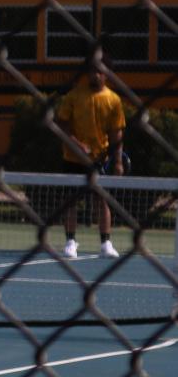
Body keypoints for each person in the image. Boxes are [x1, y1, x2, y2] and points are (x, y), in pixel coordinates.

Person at [54, 49, 126, 259]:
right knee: (71, 201)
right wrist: (76, 144)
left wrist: (118, 161)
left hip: (99, 160)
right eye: (92, 70)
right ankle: (70, 241)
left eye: (99, 71)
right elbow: (62, 125)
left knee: (102, 201)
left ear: (107, 73)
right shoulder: (74, 96)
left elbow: (116, 133)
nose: (95, 75)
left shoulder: (113, 100)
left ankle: (105, 243)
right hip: (72, 158)